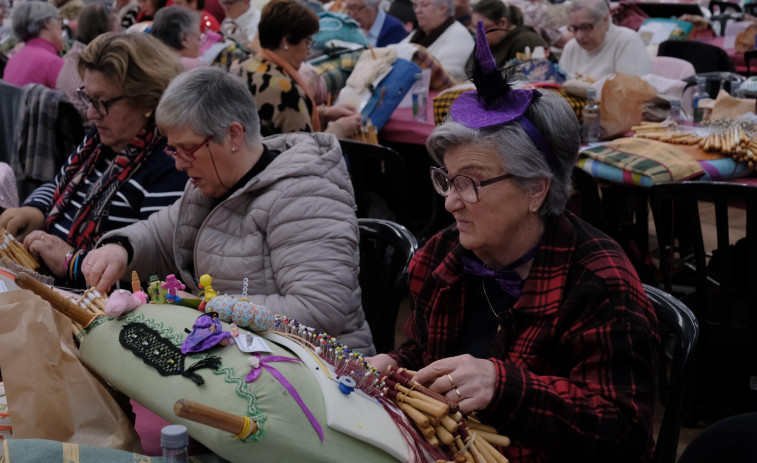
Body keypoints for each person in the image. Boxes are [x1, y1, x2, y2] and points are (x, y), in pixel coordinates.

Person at [368, 21, 660, 462]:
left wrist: (503, 386)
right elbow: (427, 352)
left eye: (471, 182)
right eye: (446, 180)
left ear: (536, 190)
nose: (451, 203)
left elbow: (625, 432)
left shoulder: (598, 283)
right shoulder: (444, 256)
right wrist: (396, 362)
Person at [81, 66, 376, 355]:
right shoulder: (211, 185)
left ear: (234, 135)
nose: (179, 164)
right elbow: (159, 238)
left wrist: (203, 306)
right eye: (173, 149)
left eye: (187, 149)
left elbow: (319, 309)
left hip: (319, 372)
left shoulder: (305, 193)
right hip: (246, 354)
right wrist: (119, 249)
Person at [0, 32, 188, 288]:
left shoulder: (171, 164)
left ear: (147, 99)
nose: (90, 113)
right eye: (88, 97)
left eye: (102, 102)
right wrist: (33, 210)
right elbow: (61, 186)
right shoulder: (99, 142)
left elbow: (156, 279)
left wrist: (72, 262)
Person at [237, 0, 361, 138]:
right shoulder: (285, 89)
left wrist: (324, 115)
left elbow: (278, 122)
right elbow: (305, 153)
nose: (308, 52)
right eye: (307, 43)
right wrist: (339, 130)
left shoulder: (244, 66)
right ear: (286, 41)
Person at [56, 2, 120, 125]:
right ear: (106, 33)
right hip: (89, 132)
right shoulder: (97, 68)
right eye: (118, 30)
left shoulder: (71, 57)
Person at [558, 0, 650, 81]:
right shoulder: (571, 47)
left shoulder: (628, 42)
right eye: (574, 28)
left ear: (605, 20)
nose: (579, 36)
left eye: (585, 27)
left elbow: (633, 91)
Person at [399, 0, 474, 80]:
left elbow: (444, 79)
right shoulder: (418, 33)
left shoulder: (459, 38)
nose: (417, 10)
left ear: (442, 8)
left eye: (424, 5)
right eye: (415, 5)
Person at [2, 1, 64, 89]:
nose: (61, 28)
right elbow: (75, 100)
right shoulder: (51, 62)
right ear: (47, 23)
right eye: (59, 22)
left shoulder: (13, 60)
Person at [468, 0, 547, 68]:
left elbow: (530, 79)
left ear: (502, 23)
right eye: (475, 28)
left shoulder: (526, 41)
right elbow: (469, 68)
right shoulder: (486, 42)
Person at [150, 5, 206, 71]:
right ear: (185, 39)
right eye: (198, 39)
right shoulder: (195, 68)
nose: (199, 45)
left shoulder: (144, 62)